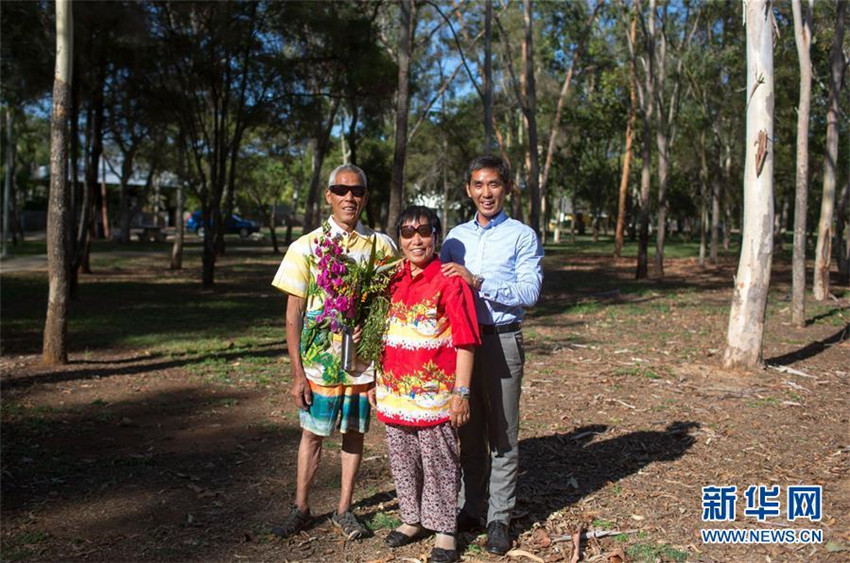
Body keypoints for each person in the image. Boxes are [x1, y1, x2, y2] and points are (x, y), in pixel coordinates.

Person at [270, 163, 397, 540]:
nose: (349, 197)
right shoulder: (306, 247)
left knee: (354, 434)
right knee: (312, 434)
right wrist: (297, 373)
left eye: (357, 191)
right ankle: (301, 508)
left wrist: (370, 330)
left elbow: (390, 304)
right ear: (329, 196)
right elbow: (293, 313)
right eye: (341, 190)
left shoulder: (381, 246)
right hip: (319, 364)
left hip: (361, 365)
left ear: (365, 197)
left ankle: (344, 510)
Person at [440, 155, 544, 555]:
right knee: (467, 430)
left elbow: (529, 293)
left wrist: (477, 281)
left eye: (494, 184)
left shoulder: (521, 236)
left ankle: (499, 518)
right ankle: (471, 506)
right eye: (479, 185)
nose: (487, 193)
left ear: (507, 188)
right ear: (469, 190)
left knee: (502, 433)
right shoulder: (455, 238)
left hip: (502, 341)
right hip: (461, 345)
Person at [376, 206, 480, 563]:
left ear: (437, 236)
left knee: (439, 463)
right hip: (395, 392)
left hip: (434, 395)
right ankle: (412, 519)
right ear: (399, 239)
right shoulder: (391, 279)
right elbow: (380, 332)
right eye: (407, 233)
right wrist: (374, 379)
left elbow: (465, 341)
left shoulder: (450, 280)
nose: (416, 240)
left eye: (424, 231)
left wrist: (461, 393)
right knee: (403, 460)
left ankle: (445, 531)